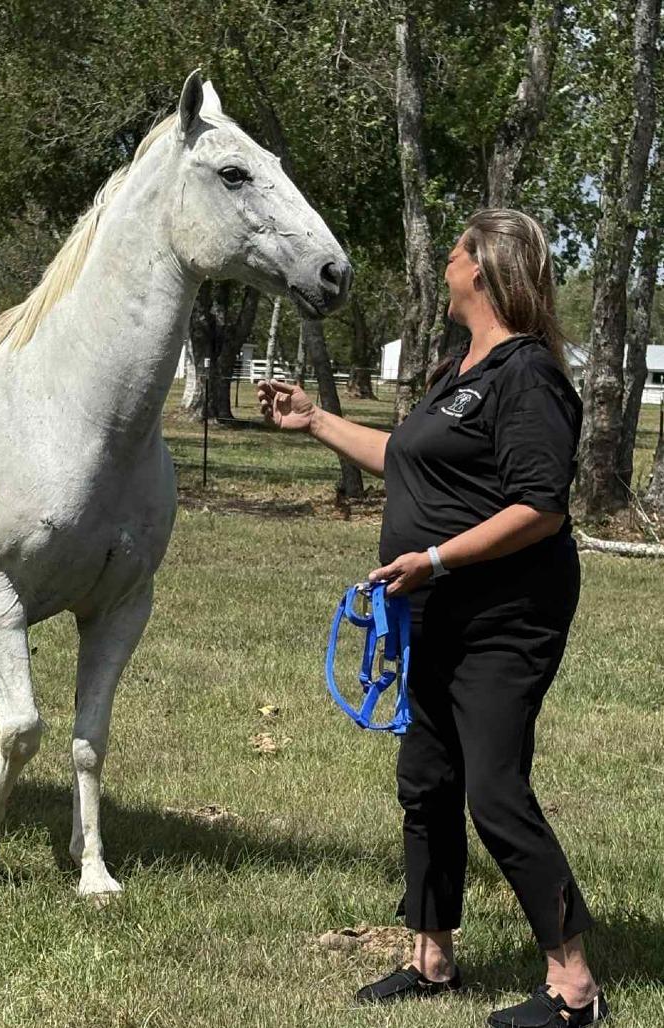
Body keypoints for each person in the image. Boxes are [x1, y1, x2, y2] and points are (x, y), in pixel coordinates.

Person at [258, 209, 607, 1028]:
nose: (445, 265)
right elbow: (405, 459)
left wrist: (438, 559)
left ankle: (574, 989)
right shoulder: (462, 369)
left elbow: (540, 507)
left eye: (453, 253)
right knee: (428, 782)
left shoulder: (529, 376)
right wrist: (313, 421)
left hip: (506, 617)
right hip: (433, 614)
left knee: (494, 791)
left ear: (480, 269)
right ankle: (432, 958)